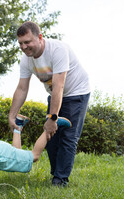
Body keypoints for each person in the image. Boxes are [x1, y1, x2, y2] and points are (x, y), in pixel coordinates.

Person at [8, 21, 91, 187]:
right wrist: (11, 115)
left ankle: (60, 181)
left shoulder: (57, 50)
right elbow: (22, 88)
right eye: (21, 43)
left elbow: (59, 85)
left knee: (68, 137)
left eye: (28, 42)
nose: (24, 47)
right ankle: (56, 174)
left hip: (76, 93)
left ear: (39, 37)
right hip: (55, 94)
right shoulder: (26, 60)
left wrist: (52, 118)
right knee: (51, 137)